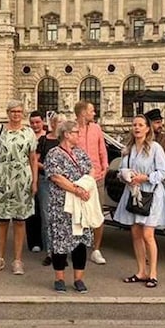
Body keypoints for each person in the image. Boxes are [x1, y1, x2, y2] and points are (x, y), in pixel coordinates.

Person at [112, 115, 165, 288]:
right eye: (134, 125)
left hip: (151, 195)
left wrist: (145, 177)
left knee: (147, 234)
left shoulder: (155, 148)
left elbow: (162, 172)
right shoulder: (128, 149)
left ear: (147, 128)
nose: (137, 128)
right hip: (133, 194)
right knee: (135, 233)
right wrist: (125, 175)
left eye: (140, 125)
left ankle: (153, 273)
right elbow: (121, 169)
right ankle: (141, 271)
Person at [0, 99, 38, 275]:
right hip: (2, 179)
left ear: (23, 114)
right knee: (1, 220)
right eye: (13, 111)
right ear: (8, 113)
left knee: (19, 221)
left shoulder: (29, 132)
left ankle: (17, 260)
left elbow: (33, 158)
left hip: (22, 180)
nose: (16, 114)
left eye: (19, 112)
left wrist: (35, 181)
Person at [43, 120, 96, 293]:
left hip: (81, 204)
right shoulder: (54, 154)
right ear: (66, 134)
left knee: (79, 241)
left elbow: (91, 169)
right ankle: (59, 278)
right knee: (60, 240)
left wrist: (86, 186)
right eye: (76, 132)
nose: (78, 136)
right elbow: (56, 177)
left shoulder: (80, 153)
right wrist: (76, 189)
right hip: (61, 205)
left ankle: (79, 278)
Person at [74, 100, 109, 265]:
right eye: (92, 111)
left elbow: (102, 149)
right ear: (83, 113)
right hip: (78, 178)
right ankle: (75, 245)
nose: (94, 113)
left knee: (98, 213)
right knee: (76, 213)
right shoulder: (72, 129)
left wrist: (105, 167)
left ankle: (96, 249)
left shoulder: (96, 128)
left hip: (96, 177)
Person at [35, 113, 65, 266]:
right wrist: (49, 169)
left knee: (63, 217)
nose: (59, 125)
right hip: (45, 181)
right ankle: (50, 251)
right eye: (57, 122)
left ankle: (63, 250)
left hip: (64, 183)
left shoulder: (66, 141)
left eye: (62, 122)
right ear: (52, 124)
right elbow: (35, 160)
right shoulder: (44, 140)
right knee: (47, 218)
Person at [25, 110, 48, 253]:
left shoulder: (49, 137)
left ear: (43, 122)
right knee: (31, 210)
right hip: (30, 176)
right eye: (32, 123)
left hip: (45, 177)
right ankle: (34, 242)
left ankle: (45, 240)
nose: (35, 125)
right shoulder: (27, 137)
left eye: (38, 122)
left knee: (45, 210)